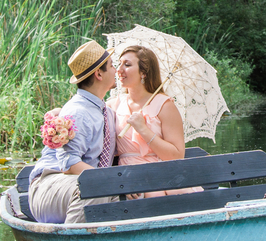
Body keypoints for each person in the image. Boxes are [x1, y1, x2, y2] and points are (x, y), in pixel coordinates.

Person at [29, 39, 117, 224]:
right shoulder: (78, 112)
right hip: (50, 185)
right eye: (112, 66)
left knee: (120, 194)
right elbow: (69, 165)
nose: (116, 70)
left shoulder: (104, 111)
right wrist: (110, 181)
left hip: (75, 186)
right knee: (97, 185)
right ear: (99, 74)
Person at [109, 45, 200, 197]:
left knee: (156, 194)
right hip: (127, 176)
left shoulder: (165, 105)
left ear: (143, 72)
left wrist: (143, 130)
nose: (119, 69)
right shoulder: (113, 105)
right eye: (119, 64)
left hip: (161, 175)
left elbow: (177, 156)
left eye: (127, 64)